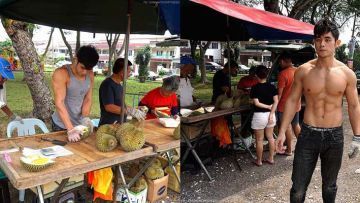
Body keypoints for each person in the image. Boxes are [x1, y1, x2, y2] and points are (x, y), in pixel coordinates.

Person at [275, 18, 360, 203]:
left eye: (327, 39)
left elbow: (354, 105)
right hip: (308, 135)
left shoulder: (347, 74)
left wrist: (357, 137)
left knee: (329, 188)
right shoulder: (304, 71)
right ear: (314, 41)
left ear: (336, 43)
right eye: (318, 39)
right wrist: (282, 131)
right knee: (297, 191)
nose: (322, 44)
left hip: (335, 137)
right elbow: (291, 100)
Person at [51, 45, 99, 142]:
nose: (85, 72)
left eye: (89, 69)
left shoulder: (90, 74)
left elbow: (88, 98)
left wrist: (85, 118)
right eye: (82, 67)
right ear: (76, 59)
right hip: (62, 125)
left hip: (79, 125)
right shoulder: (62, 73)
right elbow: (59, 102)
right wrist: (70, 129)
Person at [98, 58, 146, 126]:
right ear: (122, 72)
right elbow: (109, 107)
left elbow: (121, 105)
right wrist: (129, 111)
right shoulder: (107, 85)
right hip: (109, 126)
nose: (129, 75)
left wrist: (133, 109)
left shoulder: (119, 85)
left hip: (119, 124)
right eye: (129, 72)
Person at [250, 65, 278, 166]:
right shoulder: (272, 86)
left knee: (259, 140)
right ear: (267, 75)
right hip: (271, 116)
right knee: (270, 137)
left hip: (259, 116)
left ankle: (259, 161)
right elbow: (276, 101)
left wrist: (267, 107)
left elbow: (256, 103)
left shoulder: (254, 88)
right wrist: (271, 112)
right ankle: (271, 158)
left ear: (256, 75)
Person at [277, 52, 301, 156]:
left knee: (286, 127)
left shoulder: (283, 74)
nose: (279, 64)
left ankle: (289, 150)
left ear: (283, 61)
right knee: (296, 125)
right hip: (296, 104)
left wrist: (274, 105)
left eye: (279, 62)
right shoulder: (298, 71)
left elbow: (279, 94)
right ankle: (302, 148)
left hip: (284, 106)